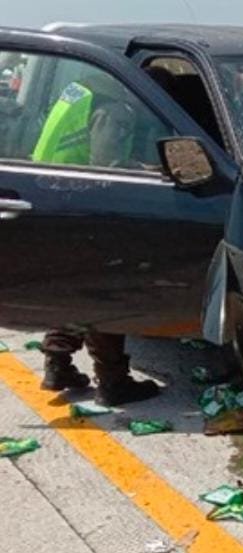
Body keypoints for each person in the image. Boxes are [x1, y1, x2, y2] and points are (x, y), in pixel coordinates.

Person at [32, 74, 159, 405]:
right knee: (106, 291)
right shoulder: (115, 108)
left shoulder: (81, 89)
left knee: (76, 285)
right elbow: (106, 163)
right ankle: (114, 382)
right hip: (84, 198)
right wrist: (143, 170)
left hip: (54, 192)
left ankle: (58, 364)